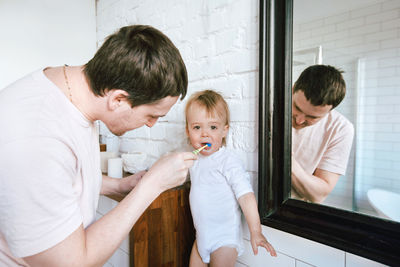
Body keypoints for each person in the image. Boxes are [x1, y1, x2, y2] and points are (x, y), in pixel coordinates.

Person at [0, 25, 198, 266]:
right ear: (118, 99)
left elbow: (58, 180)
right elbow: (73, 263)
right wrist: (152, 185)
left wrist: (119, 185)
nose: (151, 125)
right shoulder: (39, 138)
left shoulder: (69, 95)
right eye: (151, 115)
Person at [185, 90, 276, 267]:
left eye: (213, 127)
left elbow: (246, 195)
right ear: (188, 130)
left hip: (224, 240)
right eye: (197, 127)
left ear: (224, 130)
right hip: (201, 238)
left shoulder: (228, 160)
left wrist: (255, 231)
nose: (205, 134)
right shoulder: (194, 159)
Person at [291, 65, 354, 203]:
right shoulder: (268, 104)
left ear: (329, 112)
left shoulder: (340, 128)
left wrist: (286, 160)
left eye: (312, 117)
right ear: (292, 88)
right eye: (296, 107)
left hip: (293, 213)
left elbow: (319, 195)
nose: (299, 120)